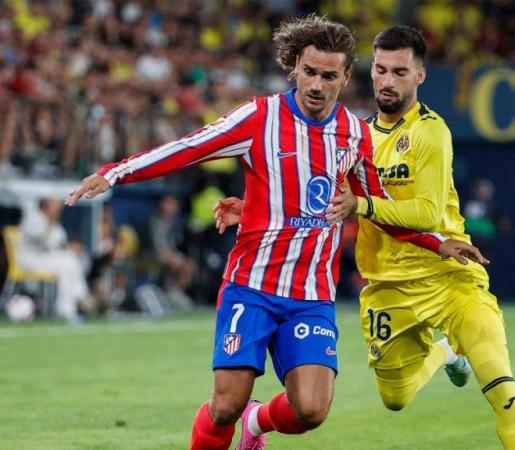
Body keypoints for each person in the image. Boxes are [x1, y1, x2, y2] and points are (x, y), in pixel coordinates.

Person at [66, 15, 476, 450]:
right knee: (225, 405)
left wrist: (436, 242)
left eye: (329, 76)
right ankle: (233, 421)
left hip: (311, 296)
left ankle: (255, 425)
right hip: (252, 287)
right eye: (309, 72)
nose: (317, 85)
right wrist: (116, 173)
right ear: (294, 67)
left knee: (312, 409)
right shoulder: (258, 118)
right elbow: (187, 148)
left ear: (344, 78)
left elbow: (377, 208)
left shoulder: (355, 134)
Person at [350, 26, 515, 449]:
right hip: (388, 286)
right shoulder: (354, 136)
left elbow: (427, 213)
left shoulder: (431, 132)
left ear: (420, 76)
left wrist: (362, 205)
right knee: (394, 400)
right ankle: (445, 353)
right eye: (381, 70)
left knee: (500, 385)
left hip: (450, 276)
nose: (388, 81)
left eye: (400, 71)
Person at [18, 197, 93, 322]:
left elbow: (58, 244)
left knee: (71, 260)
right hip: (30, 259)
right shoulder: (33, 217)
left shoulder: (54, 222)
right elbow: (42, 241)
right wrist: (51, 222)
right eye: (55, 205)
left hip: (45, 258)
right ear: (46, 205)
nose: (58, 209)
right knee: (65, 265)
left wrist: (70, 247)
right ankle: (74, 303)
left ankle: (75, 303)